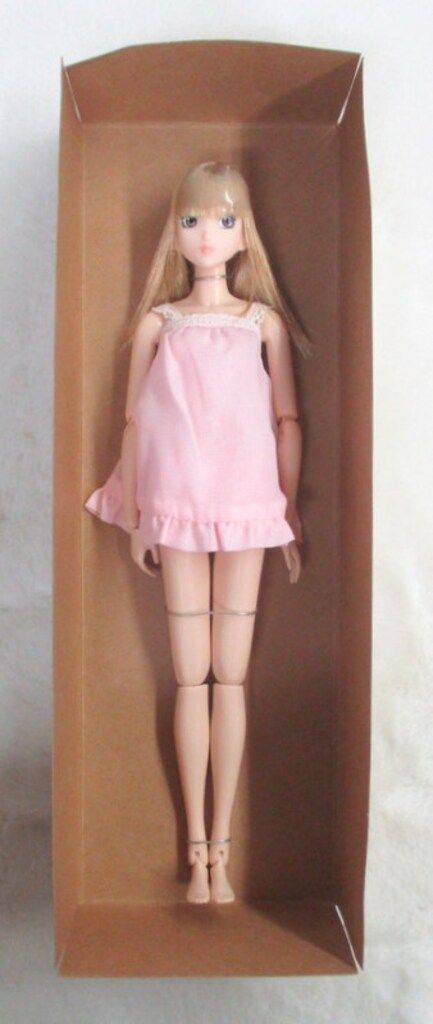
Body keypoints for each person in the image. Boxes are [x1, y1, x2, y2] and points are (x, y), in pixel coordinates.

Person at [84, 161, 313, 904]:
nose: (206, 235)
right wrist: (135, 513)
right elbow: (133, 422)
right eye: (191, 220)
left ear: (244, 235)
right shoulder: (160, 323)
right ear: (174, 234)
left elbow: (286, 419)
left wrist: (286, 513)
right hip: (177, 506)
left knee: (229, 677)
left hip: (246, 506)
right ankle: (196, 852)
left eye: (222, 220)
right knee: (193, 678)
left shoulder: (262, 323)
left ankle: (221, 849)